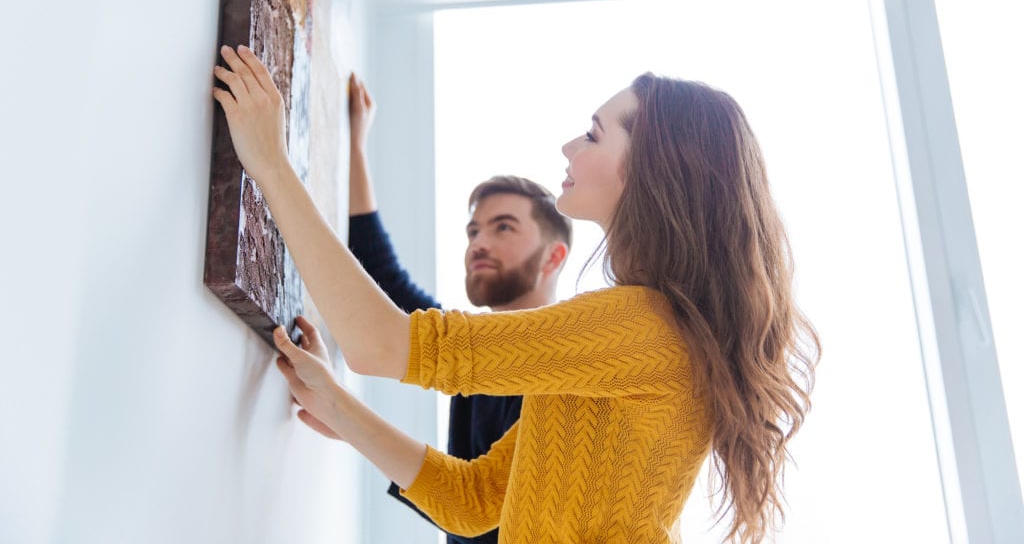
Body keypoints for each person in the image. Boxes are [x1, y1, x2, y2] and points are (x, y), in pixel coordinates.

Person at [212, 45, 821, 544]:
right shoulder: (632, 332)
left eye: (592, 134)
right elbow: (472, 500)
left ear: (654, 169)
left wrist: (270, 162)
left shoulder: (638, 326)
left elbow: (378, 345)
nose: (569, 148)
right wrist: (337, 403)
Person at [345, 73, 572, 544]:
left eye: (503, 228)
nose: (478, 244)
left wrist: (347, 419)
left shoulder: (564, 373)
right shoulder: (472, 351)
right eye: (473, 232)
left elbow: (479, 512)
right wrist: (357, 146)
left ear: (554, 257)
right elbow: (384, 282)